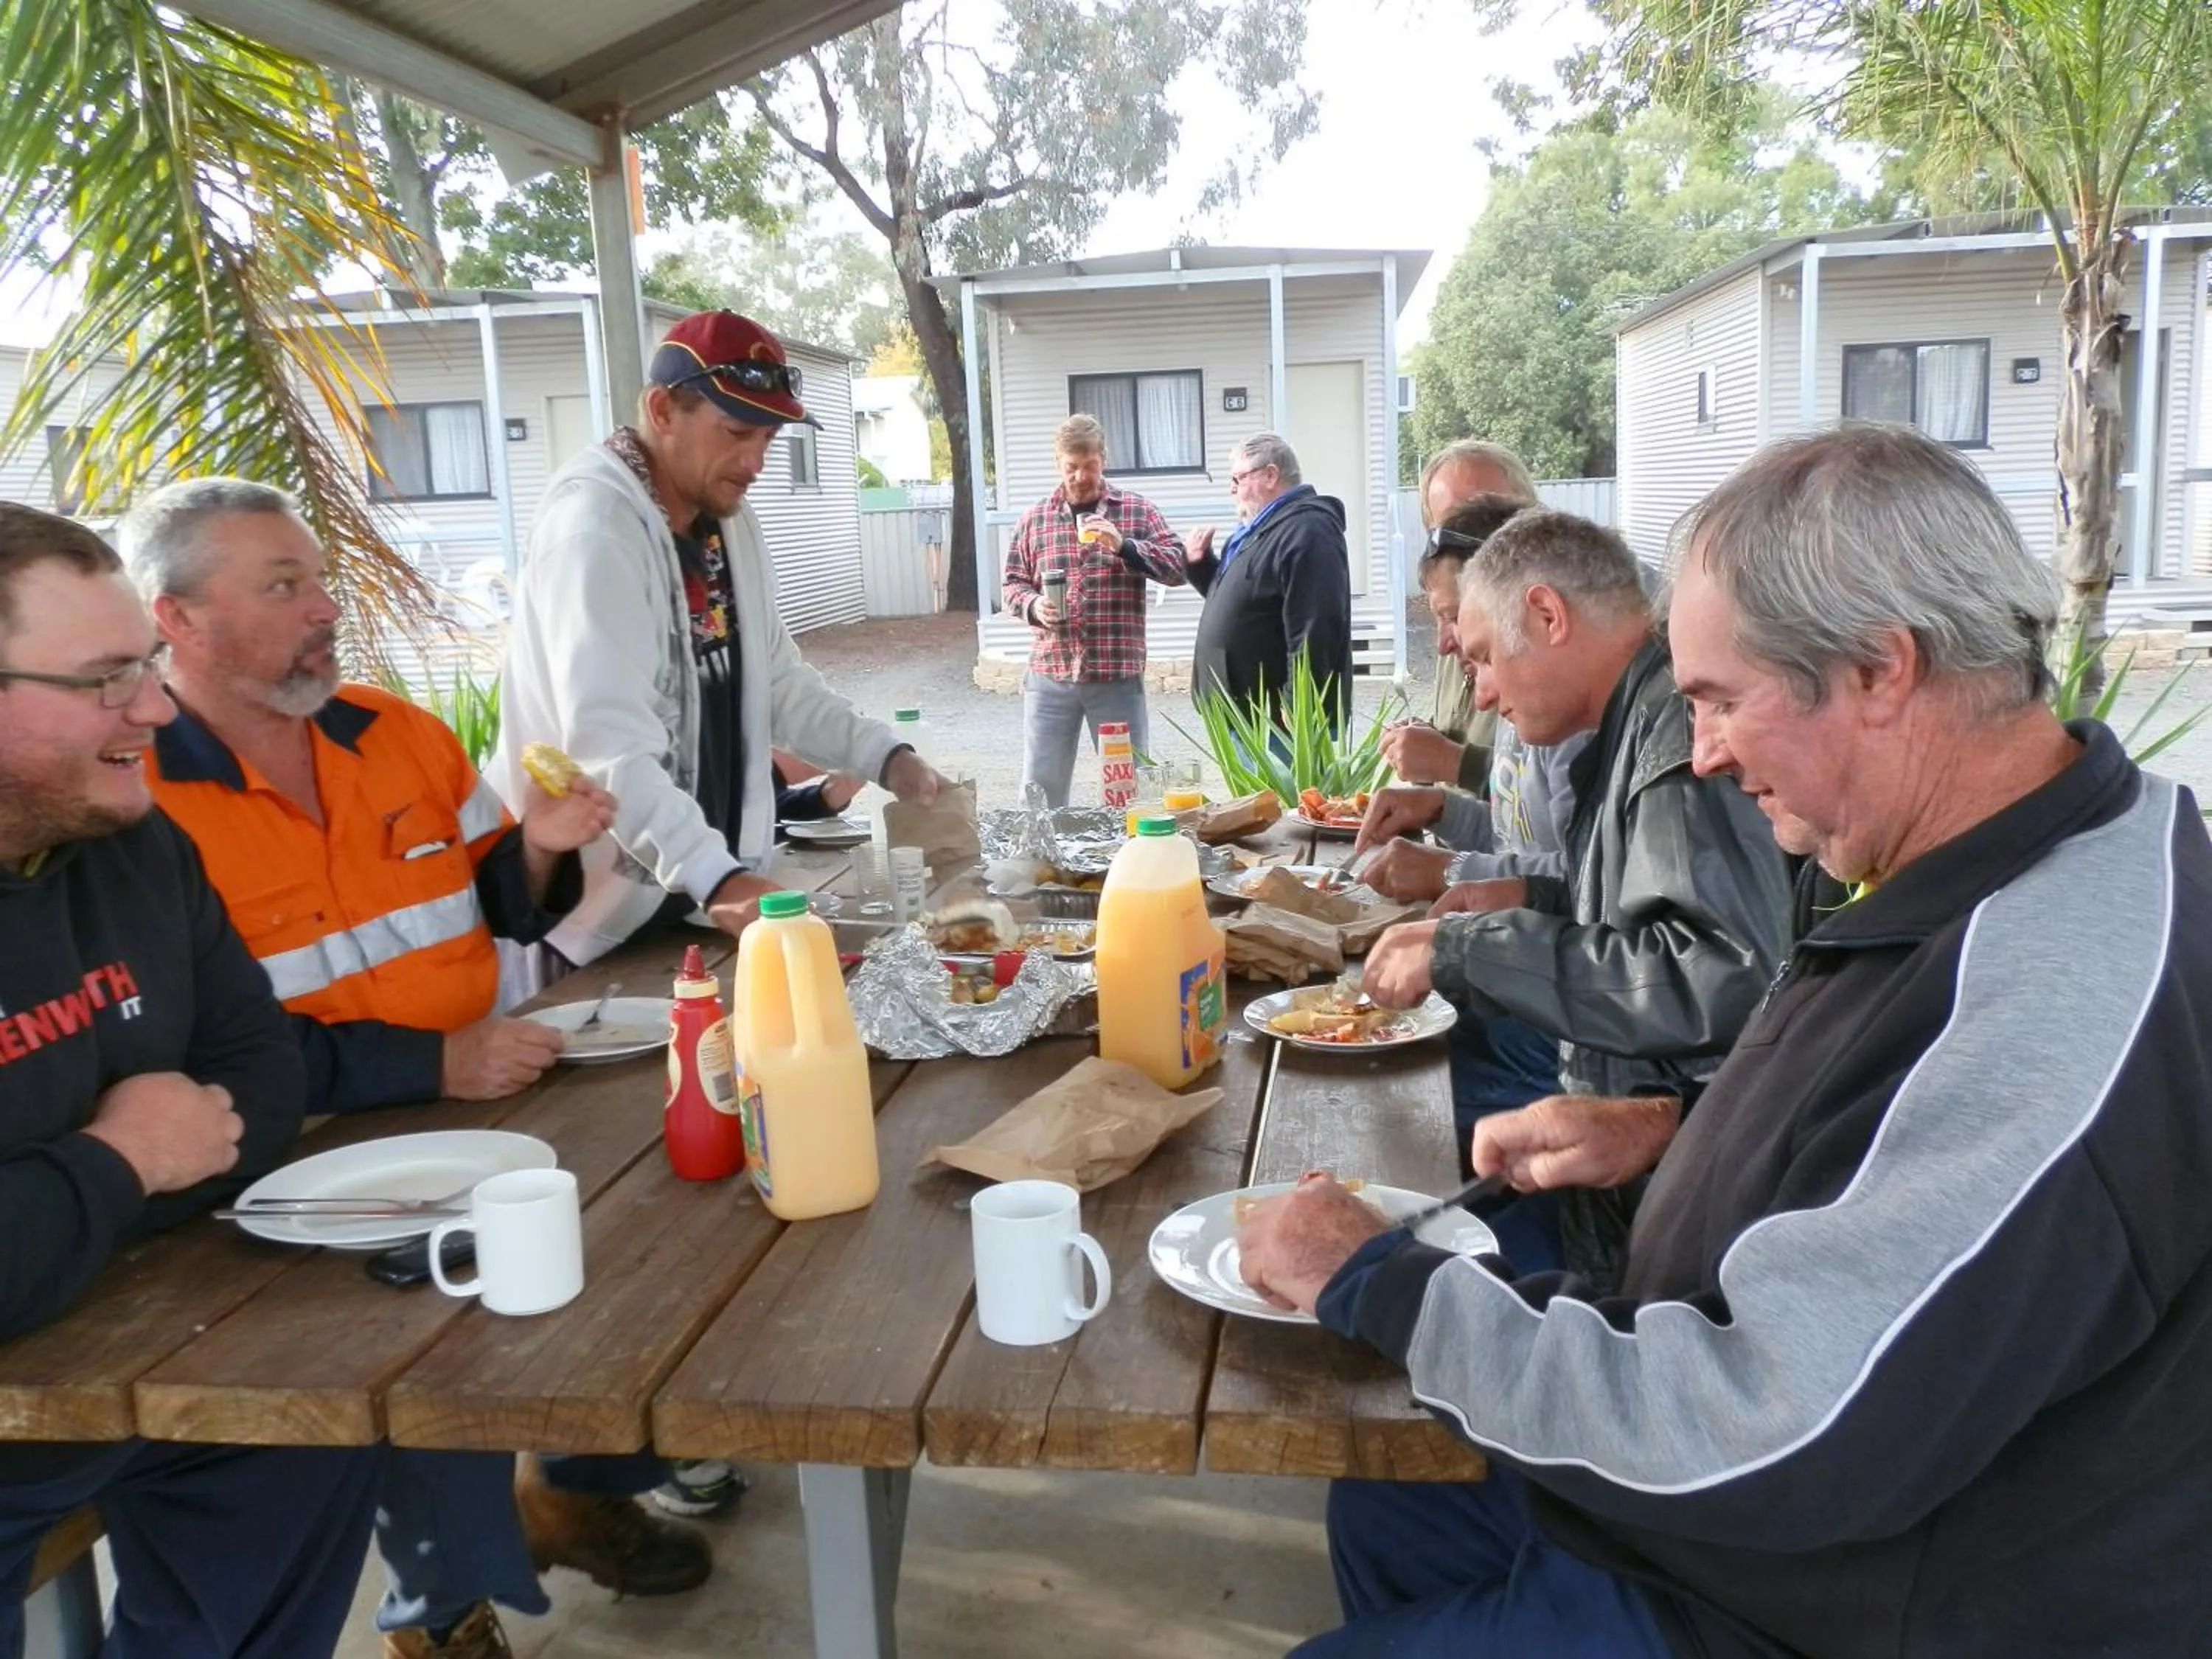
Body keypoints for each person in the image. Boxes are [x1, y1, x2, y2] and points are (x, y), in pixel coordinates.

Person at [1243, 422, 2212, 1658]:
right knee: (1394, 1506)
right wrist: (1669, 1130)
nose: (1700, 753)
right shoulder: (1998, 856)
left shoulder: (2064, 980)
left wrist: (1385, 1280)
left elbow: (1785, 1424)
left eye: (1719, 701)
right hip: (1744, 1481)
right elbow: (1908, 1170)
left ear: (1879, 672)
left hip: (1798, 1586)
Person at [120, 479, 726, 1659]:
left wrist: (545, 850)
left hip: (472, 1098)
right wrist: (429, 1061)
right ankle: (442, 1614)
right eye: (283, 585)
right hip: (279, 1162)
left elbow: (499, 898)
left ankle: (579, 1489)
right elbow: (189, 1054)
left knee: (650, 1233)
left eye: (318, 578)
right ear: (178, 619)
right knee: (421, 1351)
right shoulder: (139, 797)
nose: (324, 606)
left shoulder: (395, 730)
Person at [0, 501, 382, 1659]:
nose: (156, 710)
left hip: (137, 1349)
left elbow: (259, 1082)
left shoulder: (137, 844)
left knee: (318, 1421)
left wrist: (62, 1202)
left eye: (149, 669)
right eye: (107, 680)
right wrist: (121, 1159)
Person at [1360, 509, 1790, 1290]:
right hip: (1632, 1147)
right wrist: (1526, 893)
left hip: (1687, 1185)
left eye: (1486, 658)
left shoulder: (1671, 741)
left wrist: (1471, 948)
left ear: (1548, 616)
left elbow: (1717, 977)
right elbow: (1630, 908)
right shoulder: (1630, 723)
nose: (1483, 695)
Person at [487, 309, 950, 968]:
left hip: (702, 905)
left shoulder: (726, 520)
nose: (755, 461)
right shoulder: (594, 533)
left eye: (768, 438)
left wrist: (884, 756)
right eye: (736, 432)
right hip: (604, 930)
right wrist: (723, 883)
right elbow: (610, 754)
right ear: (662, 410)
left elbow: (777, 682)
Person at [998, 414, 1189, 805]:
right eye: (1072, 467)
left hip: (1115, 678)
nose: (1081, 477)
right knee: (1040, 792)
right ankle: (1042, 866)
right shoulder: (1035, 520)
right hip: (1050, 677)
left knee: (1128, 793)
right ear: (1058, 463)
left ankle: (1132, 865)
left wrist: (1125, 546)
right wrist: (1033, 606)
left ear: (1104, 458)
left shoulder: (1136, 511)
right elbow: (1012, 585)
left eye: (1090, 466)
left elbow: (1179, 567)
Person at [1385, 439, 1540, 790]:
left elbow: (1553, 801)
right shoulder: (1452, 625)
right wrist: (1425, 743)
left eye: (1493, 522)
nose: (1477, 547)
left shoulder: (1545, 635)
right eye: (1455, 526)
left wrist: (1451, 761)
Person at [1186, 433, 1352, 720]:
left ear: (1271, 476)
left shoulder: (1308, 530)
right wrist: (1200, 566)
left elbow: (1316, 623)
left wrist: (1300, 702)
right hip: (1243, 714)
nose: (1232, 490)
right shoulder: (1260, 530)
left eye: (1238, 479)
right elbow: (1246, 601)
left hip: (1275, 722)